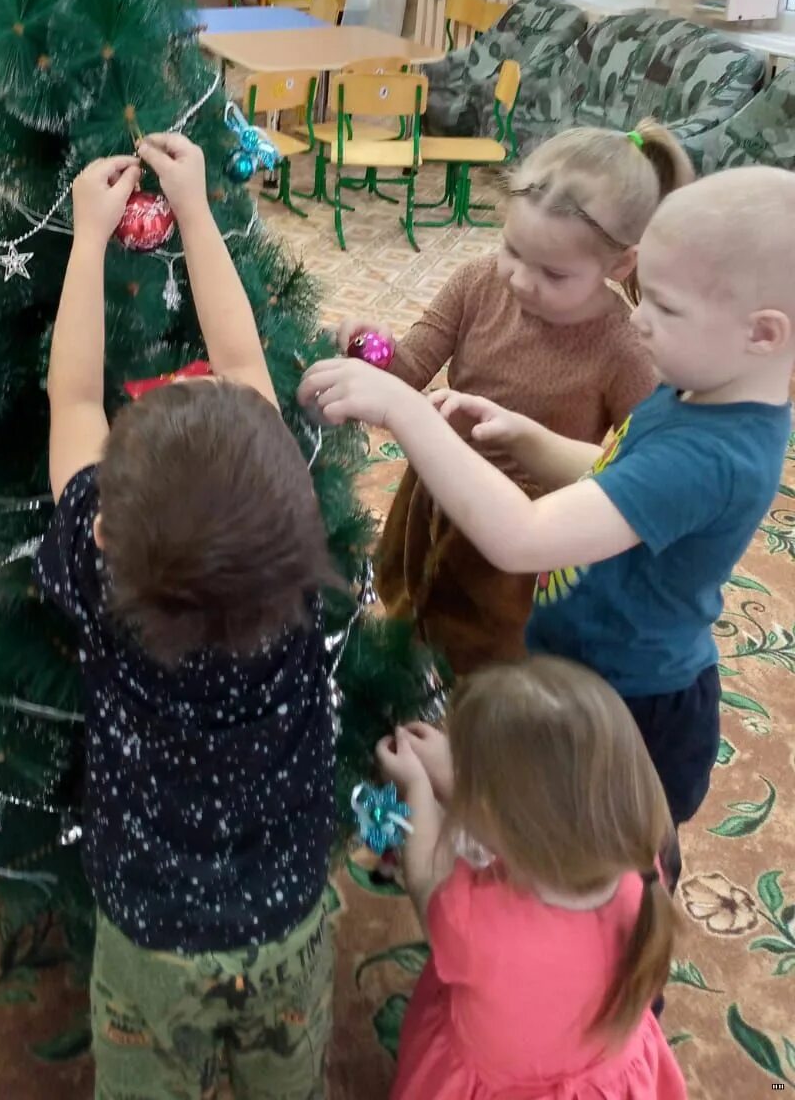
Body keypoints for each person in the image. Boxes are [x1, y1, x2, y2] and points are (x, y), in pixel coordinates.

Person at [300, 165, 795, 879]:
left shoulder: (712, 454)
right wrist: (531, 438)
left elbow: (522, 538)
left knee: (596, 864)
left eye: (664, 306)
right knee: (544, 825)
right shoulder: (705, 389)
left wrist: (406, 410)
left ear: (763, 333)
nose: (639, 319)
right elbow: (618, 471)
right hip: (578, 662)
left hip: (625, 706)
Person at [40, 133, 338, 1100]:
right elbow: (245, 357)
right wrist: (200, 209)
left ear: (104, 533)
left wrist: (88, 239)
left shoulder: (100, 576)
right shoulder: (292, 570)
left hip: (150, 937)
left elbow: (73, 397)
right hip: (288, 917)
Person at [338, 122, 688, 674]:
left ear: (620, 265)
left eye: (554, 273)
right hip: (436, 490)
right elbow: (409, 370)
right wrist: (371, 348)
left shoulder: (625, 349)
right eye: (511, 249)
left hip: (524, 539)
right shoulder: (477, 282)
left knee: (490, 661)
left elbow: (635, 469)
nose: (521, 279)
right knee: (409, 610)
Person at [375, 657, 687, 1099]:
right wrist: (459, 774)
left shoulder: (471, 920)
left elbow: (424, 877)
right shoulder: (639, 865)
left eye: (475, 782)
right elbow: (546, 813)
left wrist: (418, 791)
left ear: (507, 827)